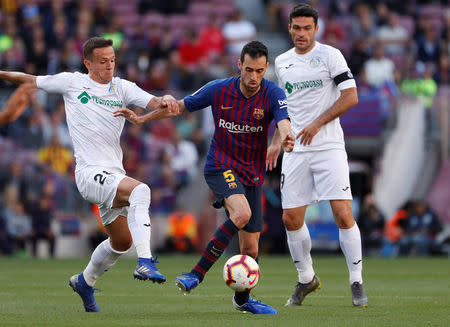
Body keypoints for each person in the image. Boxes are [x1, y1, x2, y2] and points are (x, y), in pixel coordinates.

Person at [114, 41, 295, 314]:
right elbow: (178, 107)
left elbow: (283, 120)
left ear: (266, 68)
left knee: (252, 251)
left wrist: (282, 139)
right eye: (249, 70)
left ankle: (243, 301)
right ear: (239, 66)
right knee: (242, 213)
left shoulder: (273, 92)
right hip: (220, 166)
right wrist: (142, 119)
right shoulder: (219, 88)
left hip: (252, 173)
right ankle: (195, 274)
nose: (254, 77)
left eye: (259, 71)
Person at [0, 37, 179, 312]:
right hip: (88, 172)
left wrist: (165, 99)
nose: (110, 66)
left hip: (113, 173)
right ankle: (145, 262)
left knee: (121, 241)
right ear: (88, 63)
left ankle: (84, 281)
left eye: (113, 60)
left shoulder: (122, 87)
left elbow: (154, 102)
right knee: (141, 190)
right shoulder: (72, 82)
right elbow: (29, 79)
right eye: (103, 61)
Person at [269, 4, 368, 307]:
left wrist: (316, 124)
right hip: (296, 149)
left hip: (328, 146)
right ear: (289, 28)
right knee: (290, 218)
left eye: (307, 28)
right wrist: (276, 140)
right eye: (296, 28)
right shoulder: (282, 62)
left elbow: (351, 96)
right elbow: (284, 108)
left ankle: (356, 281)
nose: (301, 33)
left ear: (316, 28)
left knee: (342, 213)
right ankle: (306, 278)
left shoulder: (330, 55)